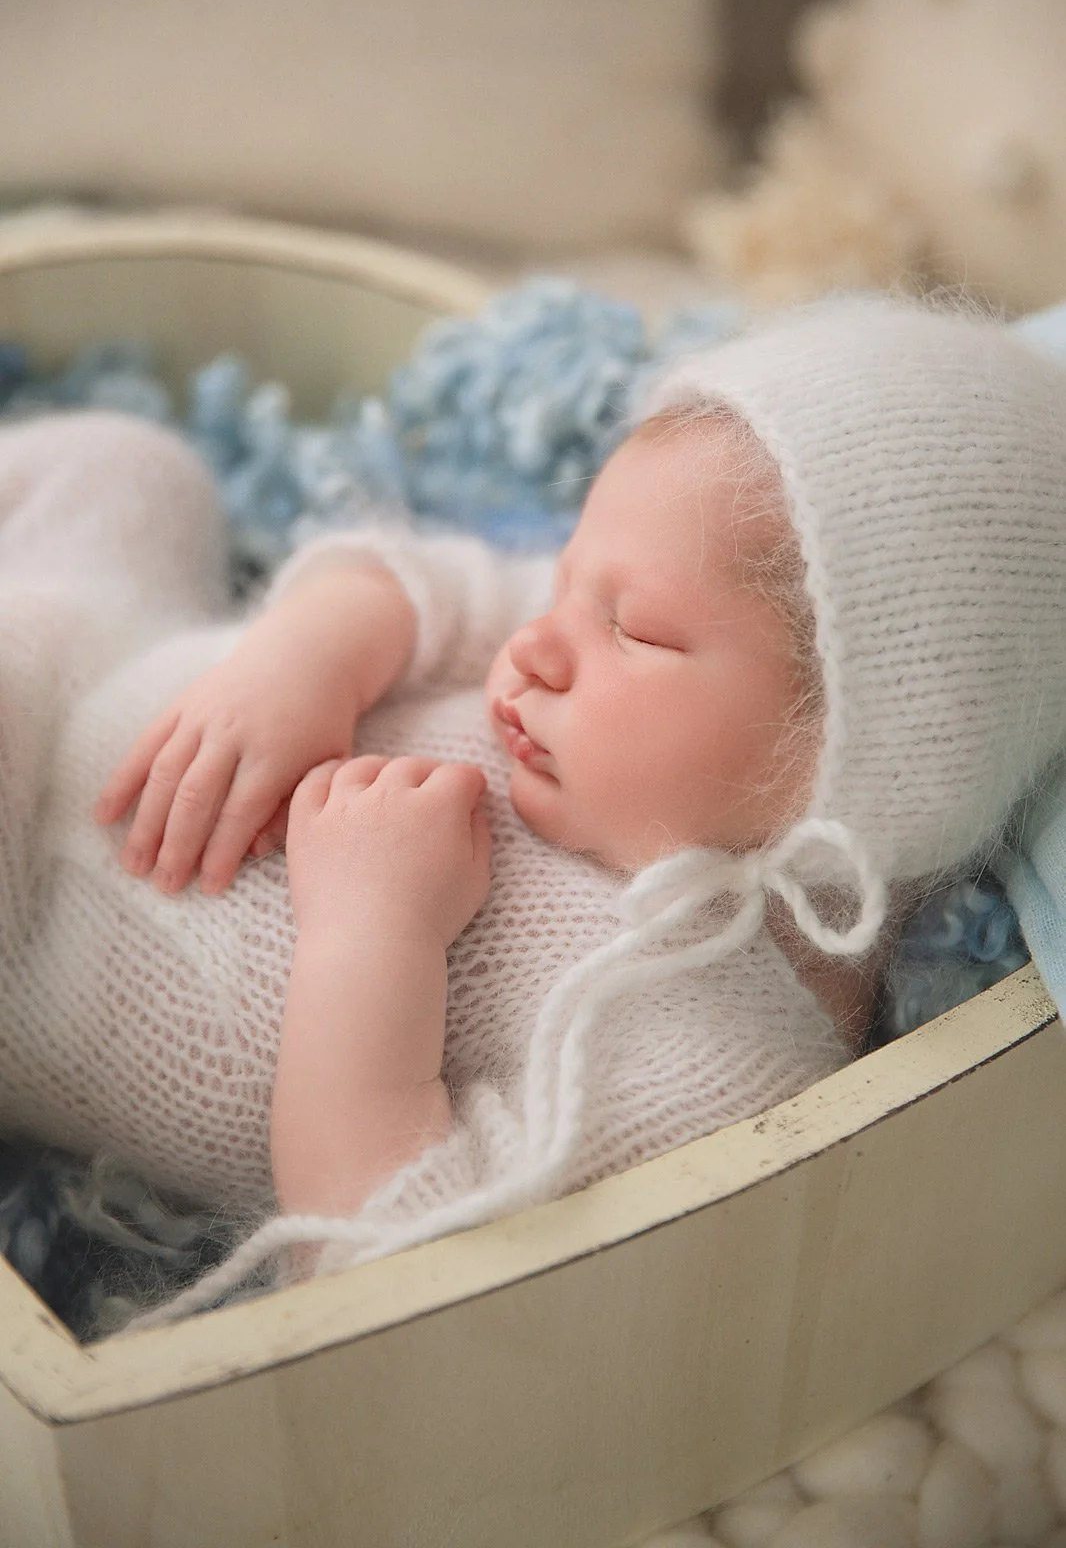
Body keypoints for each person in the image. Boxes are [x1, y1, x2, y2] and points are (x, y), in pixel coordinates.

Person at [1, 295, 1064, 1312]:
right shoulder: (598, 641)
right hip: (117, 656)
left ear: (845, 761)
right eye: (564, 578)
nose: (537, 642)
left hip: (39, 926)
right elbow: (446, 583)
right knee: (134, 472)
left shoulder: (715, 1052)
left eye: (633, 630)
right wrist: (305, 657)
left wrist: (372, 933)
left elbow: (382, 1258)